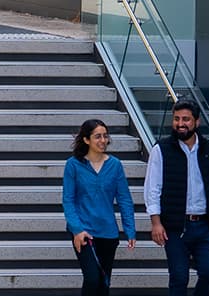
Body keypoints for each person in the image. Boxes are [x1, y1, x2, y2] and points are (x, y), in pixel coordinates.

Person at [144, 100, 209, 296]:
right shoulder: (161, 149)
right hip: (176, 226)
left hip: (205, 225)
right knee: (179, 277)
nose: (180, 123)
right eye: (176, 119)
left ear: (197, 122)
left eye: (186, 119)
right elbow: (153, 189)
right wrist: (156, 223)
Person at [62, 118, 134, 296]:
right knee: (92, 278)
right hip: (84, 232)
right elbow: (68, 201)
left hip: (108, 232)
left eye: (105, 136)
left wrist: (130, 229)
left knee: (103, 283)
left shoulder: (115, 165)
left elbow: (124, 199)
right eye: (97, 137)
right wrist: (77, 230)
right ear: (86, 140)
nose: (103, 141)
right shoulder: (73, 165)